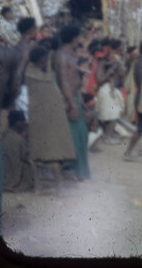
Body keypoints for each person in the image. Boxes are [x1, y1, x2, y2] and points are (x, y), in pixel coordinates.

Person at [24, 44, 77, 177]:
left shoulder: (48, 75)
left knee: (57, 143)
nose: (46, 60)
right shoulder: (29, 74)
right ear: (38, 59)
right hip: (38, 115)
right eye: (44, 58)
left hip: (53, 115)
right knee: (41, 146)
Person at [54, 26, 90, 180]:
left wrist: (80, 102)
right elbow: (63, 82)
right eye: (78, 38)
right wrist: (72, 104)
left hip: (75, 98)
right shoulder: (61, 56)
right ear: (73, 39)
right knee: (73, 137)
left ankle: (78, 171)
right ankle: (68, 171)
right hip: (68, 101)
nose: (80, 41)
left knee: (81, 135)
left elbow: (76, 81)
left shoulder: (70, 55)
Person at [2, 110, 35, 192]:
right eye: (23, 121)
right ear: (18, 123)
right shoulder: (19, 139)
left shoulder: (3, 136)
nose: (25, 124)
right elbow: (27, 156)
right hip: (15, 180)